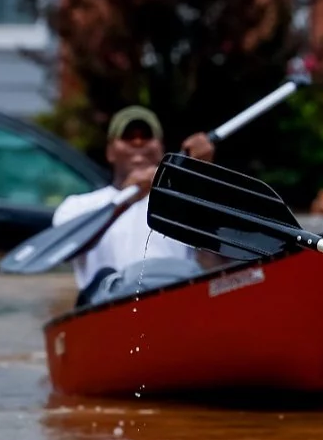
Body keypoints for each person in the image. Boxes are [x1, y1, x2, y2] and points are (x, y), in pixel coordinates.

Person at [51, 105, 220, 306]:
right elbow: (63, 251)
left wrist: (201, 176)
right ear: (110, 152)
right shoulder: (77, 207)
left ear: (160, 148)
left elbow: (217, 267)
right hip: (108, 311)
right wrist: (125, 201)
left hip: (173, 306)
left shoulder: (187, 201)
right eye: (127, 137)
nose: (138, 142)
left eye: (146, 136)